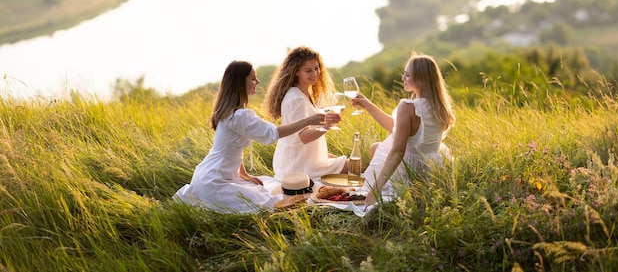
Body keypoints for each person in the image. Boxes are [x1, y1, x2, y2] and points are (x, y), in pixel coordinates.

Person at [174, 60, 340, 213]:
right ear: (240, 82)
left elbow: (232, 149)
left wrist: (244, 174)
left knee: (263, 187)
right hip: (215, 181)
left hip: (208, 174)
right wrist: (308, 120)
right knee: (267, 203)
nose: (257, 82)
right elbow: (273, 134)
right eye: (253, 78)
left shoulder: (228, 112)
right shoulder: (240, 116)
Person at [350, 52, 455, 208]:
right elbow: (398, 128)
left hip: (410, 170)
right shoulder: (440, 106)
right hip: (430, 169)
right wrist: (368, 105)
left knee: (378, 154)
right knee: (376, 147)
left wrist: (375, 189)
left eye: (407, 75)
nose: (402, 79)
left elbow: (398, 151)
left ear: (420, 79)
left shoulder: (408, 106)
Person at [263, 46, 348, 181]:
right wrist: (327, 126)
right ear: (296, 71)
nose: (315, 74)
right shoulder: (296, 98)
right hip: (299, 166)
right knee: (354, 165)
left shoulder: (303, 92)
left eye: (316, 68)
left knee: (338, 159)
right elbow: (304, 137)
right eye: (308, 70)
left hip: (300, 159)